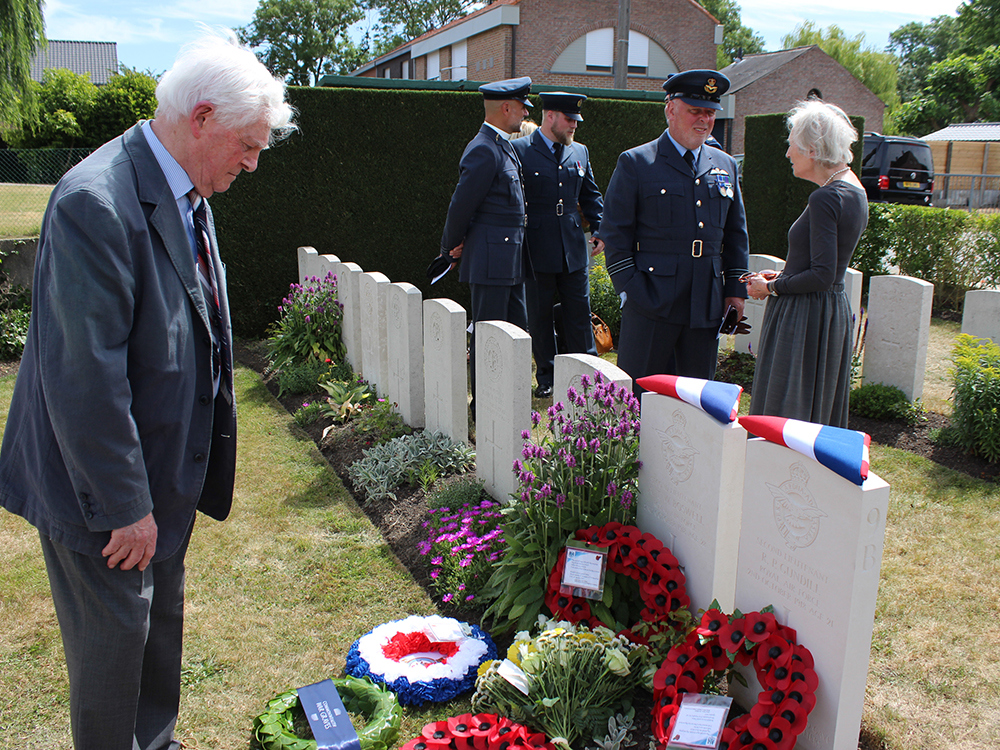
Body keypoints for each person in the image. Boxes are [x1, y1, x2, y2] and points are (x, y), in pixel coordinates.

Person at [0, 31, 294, 750]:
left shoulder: (186, 187)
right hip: (105, 496)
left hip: (160, 480)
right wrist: (127, 507)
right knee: (114, 661)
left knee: (156, 644)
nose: (252, 163)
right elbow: (84, 378)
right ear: (200, 119)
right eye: (247, 146)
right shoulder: (95, 204)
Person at [599, 69, 749, 386]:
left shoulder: (725, 165)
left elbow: (736, 235)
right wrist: (633, 291)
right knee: (640, 394)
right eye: (695, 110)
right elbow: (615, 235)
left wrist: (734, 292)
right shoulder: (638, 162)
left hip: (705, 303)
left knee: (697, 398)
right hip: (652, 298)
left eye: (710, 112)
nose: (704, 120)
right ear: (670, 108)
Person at [744, 99, 868, 428]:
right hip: (827, 313)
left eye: (792, 146)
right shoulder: (854, 189)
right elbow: (826, 265)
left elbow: (823, 274)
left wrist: (770, 286)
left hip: (804, 317)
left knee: (787, 413)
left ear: (812, 149)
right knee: (814, 411)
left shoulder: (826, 196)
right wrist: (785, 273)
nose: (788, 154)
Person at [438, 77, 532, 412]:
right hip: (491, 261)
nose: (524, 112)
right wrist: (450, 248)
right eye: (522, 106)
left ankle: (510, 400)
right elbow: (461, 205)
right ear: (506, 107)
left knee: (517, 333)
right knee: (489, 336)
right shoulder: (483, 148)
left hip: (511, 259)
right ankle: (484, 406)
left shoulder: (503, 145)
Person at [513, 92, 605, 398]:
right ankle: (548, 376)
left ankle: (588, 372)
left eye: (576, 120)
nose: (574, 126)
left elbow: (590, 195)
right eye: (569, 120)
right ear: (550, 116)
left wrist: (601, 228)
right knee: (539, 316)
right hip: (536, 246)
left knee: (579, 311)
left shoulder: (580, 151)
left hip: (573, 246)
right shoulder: (520, 150)